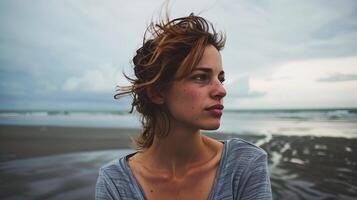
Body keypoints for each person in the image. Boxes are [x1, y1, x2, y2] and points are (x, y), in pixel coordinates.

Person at [96, 13, 272, 200]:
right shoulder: (115, 182)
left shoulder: (244, 164)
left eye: (220, 79)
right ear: (157, 92)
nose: (221, 91)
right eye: (200, 77)